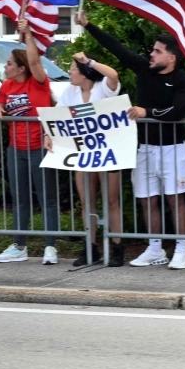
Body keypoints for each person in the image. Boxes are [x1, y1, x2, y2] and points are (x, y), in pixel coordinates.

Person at [78, 11, 185, 269]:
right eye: (152, 50)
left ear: (171, 57)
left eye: (157, 51)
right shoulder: (144, 69)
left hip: (173, 149)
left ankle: (182, 249)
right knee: (147, 199)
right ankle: (154, 248)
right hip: (144, 148)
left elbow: (177, 112)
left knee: (175, 199)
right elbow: (117, 48)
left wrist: (148, 113)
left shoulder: (182, 80)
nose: (151, 54)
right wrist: (88, 25)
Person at [0, 19, 60, 266]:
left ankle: (50, 247)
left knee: (47, 198)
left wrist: (28, 34)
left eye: (9, 63)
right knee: (19, 198)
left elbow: (34, 61)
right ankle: (19, 246)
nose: (5, 67)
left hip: (40, 148)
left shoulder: (38, 82)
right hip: (15, 149)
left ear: (21, 68)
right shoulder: (7, 86)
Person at [58, 50, 122, 267]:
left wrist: (89, 61)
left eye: (73, 68)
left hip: (108, 151)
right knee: (87, 202)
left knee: (111, 201)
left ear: (84, 72)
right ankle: (91, 247)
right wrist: (49, 135)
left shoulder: (102, 87)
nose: (69, 72)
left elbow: (113, 75)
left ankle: (117, 247)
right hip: (83, 153)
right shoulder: (70, 92)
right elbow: (57, 117)